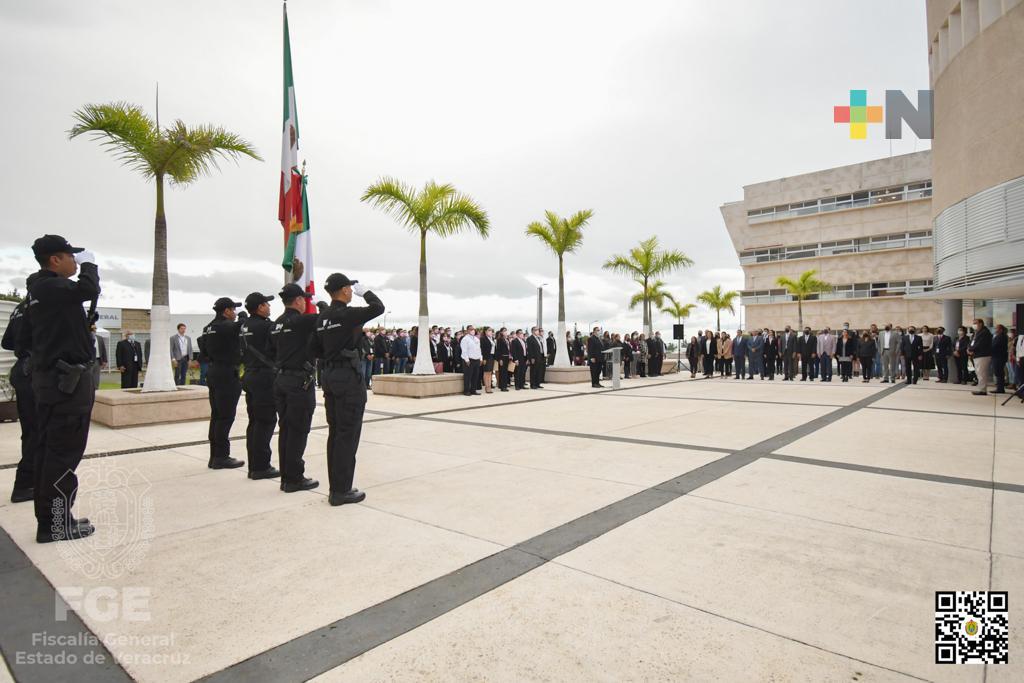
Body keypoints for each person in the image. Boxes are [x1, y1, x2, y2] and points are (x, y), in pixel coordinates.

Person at [19, 235, 99, 542]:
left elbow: (23, 340)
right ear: (55, 259)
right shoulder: (53, 286)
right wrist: (91, 264)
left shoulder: (36, 293)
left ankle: (52, 520)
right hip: (67, 385)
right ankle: (55, 524)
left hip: (50, 381)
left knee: (49, 452)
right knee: (64, 454)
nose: (75, 262)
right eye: (71, 256)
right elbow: (89, 288)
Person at [310, 273, 383, 506]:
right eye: (350, 289)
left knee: (336, 433)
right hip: (347, 379)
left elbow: (315, 349)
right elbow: (378, 307)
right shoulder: (348, 315)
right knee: (348, 434)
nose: (352, 292)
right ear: (343, 290)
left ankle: (337, 487)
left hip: (330, 376)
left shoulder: (322, 318)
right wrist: (366, 292)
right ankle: (341, 490)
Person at [271, 283, 320, 491]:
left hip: (281, 379)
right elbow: (330, 318)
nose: (306, 303)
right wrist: (323, 304)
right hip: (299, 382)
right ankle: (294, 479)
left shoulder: (276, 323)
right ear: (298, 301)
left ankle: (286, 475)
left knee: (286, 430)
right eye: (305, 300)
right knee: (298, 431)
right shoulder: (300, 321)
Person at [2, 276, 41, 505]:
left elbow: (7, 342)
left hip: (22, 370)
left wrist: (22, 345)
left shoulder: (19, 307)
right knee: (39, 432)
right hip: (34, 371)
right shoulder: (38, 306)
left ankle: (28, 482)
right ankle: (27, 484)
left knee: (30, 431)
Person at [236, 292, 280, 480]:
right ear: (260, 307)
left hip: (250, 374)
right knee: (266, 421)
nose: (269, 307)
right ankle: (261, 467)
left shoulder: (244, 326)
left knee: (254, 421)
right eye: (266, 304)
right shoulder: (266, 326)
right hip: (264, 376)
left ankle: (255, 463)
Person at [198, 297, 245, 469]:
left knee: (217, 416)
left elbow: (202, 354)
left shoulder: (207, 328)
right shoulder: (227, 326)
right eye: (233, 310)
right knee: (225, 416)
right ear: (226, 311)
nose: (235, 313)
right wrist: (244, 318)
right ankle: (221, 456)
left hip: (213, 371)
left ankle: (214, 456)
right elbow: (242, 327)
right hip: (226, 373)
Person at [968, 319, 992, 395]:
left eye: (975, 323)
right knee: (979, 373)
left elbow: (980, 344)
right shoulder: (977, 333)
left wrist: (971, 349)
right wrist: (969, 349)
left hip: (982, 355)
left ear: (981, 324)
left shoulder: (984, 332)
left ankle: (982, 390)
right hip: (977, 355)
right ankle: (981, 388)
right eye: (973, 323)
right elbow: (971, 342)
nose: (974, 325)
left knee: (982, 373)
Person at [460, 325, 482, 396]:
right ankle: (466, 391)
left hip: (476, 359)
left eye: (473, 329)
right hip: (469, 360)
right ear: (467, 330)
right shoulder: (465, 339)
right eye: (471, 329)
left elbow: (479, 349)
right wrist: (466, 360)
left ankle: (473, 390)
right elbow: (464, 350)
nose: (473, 330)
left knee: (475, 376)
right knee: (468, 376)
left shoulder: (476, 339)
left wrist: (480, 358)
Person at [991, 324, 1008, 394]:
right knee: (998, 372)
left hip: (999, 357)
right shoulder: (997, 336)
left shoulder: (1002, 336)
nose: (995, 330)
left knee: (999, 372)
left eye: (996, 328)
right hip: (996, 356)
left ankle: (1000, 388)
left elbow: (995, 346)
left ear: (1001, 329)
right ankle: (999, 387)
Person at [495, 328, 511, 392]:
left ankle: (504, 385)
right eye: (504, 331)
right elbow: (498, 350)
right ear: (501, 332)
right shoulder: (499, 339)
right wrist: (500, 359)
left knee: (505, 372)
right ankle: (502, 386)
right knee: (502, 372)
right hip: (502, 357)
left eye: (506, 331)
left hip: (507, 357)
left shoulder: (506, 339)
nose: (506, 332)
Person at [480, 326, 494, 393]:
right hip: (486, 357)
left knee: (490, 372)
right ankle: (487, 387)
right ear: (485, 331)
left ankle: (489, 386)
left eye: (491, 330)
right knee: (486, 372)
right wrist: (484, 358)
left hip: (492, 356)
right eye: (489, 330)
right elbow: (483, 349)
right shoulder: (483, 339)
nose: (490, 331)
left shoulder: (491, 338)